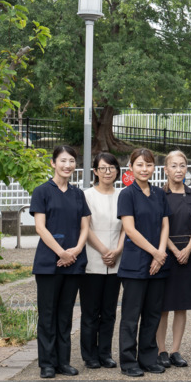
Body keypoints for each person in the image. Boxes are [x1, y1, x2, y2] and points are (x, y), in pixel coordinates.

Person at [31, 145, 90, 379]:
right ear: (53, 163)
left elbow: (85, 226)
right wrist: (61, 253)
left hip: (74, 262)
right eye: (63, 161)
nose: (68, 165)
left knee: (65, 314)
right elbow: (40, 227)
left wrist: (74, 250)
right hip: (48, 263)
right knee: (47, 314)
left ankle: (63, 361)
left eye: (72, 161)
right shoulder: (42, 191)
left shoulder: (78, 194)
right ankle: (47, 363)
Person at [116, 148, 171, 377]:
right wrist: (155, 253)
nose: (144, 169)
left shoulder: (159, 194)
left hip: (157, 264)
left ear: (154, 168)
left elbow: (165, 225)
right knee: (131, 315)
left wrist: (160, 252)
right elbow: (130, 229)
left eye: (148, 165)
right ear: (131, 168)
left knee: (152, 313)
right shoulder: (127, 195)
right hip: (135, 264)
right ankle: (129, 361)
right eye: (139, 164)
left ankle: (148, 358)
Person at [80, 151, 124, 370]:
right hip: (92, 261)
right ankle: (89, 355)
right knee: (90, 312)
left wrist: (116, 251)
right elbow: (85, 228)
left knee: (109, 311)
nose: (108, 172)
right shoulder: (86, 196)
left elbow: (127, 228)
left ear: (117, 170)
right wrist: (104, 250)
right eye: (103, 168)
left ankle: (105, 352)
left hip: (116, 262)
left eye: (112, 167)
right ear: (95, 171)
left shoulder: (123, 196)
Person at [157, 150, 191, 369]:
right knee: (163, 305)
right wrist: (174, 250)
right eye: (173, 166)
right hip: (166, 253)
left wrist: (190, 246)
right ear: (166, 169)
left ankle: (175, 349)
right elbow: (158, 227)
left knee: (181, 306)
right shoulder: (158, 195)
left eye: (182, 165)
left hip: (189, 253)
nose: (178, 170)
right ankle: (161, 350)